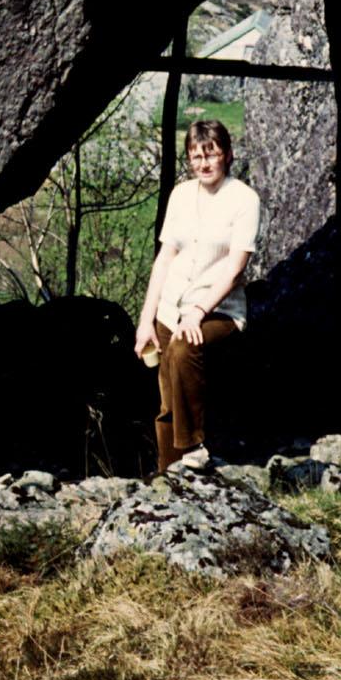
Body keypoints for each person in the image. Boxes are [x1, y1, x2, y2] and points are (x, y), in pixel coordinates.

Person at [134, 119, 260, 473]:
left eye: (211, 154)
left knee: (183, 347)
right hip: (170, 308)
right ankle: (167, 478)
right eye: (195, 156)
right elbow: (165, 259)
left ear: (227, 155)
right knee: (166, 399)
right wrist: (146, 320)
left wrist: (198, 311)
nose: (203, 164)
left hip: (219, 310)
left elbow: (235, 267)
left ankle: (192, 449)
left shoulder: (244, 200)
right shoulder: (181, 195)